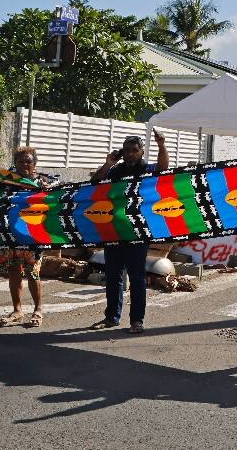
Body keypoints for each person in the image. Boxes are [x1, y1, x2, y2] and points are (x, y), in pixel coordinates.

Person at [88, 132, 168, 334]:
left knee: (137, 277)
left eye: (134, 150)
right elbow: (96, 181)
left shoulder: (146, 169)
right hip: (114, 230)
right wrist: (108, 162)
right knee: (113, 275)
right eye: (126, 151)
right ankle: (112, 317)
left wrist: (161, 145)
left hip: (138, 232)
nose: (130, 154)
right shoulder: (116, 170)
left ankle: (136, 321)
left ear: (141, 152)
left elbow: (163, 168)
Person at [0, 146, 50, 328]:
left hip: (31, 235)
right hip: (8, 233)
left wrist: (47, 190)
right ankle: (17, 310)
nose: (24, 164)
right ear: (15, 163)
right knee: (13, 271)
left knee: (33, 273)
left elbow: (55, 197)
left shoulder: (43, 181)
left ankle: (37, 310)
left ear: (35, 163)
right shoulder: (5, 179)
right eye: (20, 161)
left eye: (28, 161)